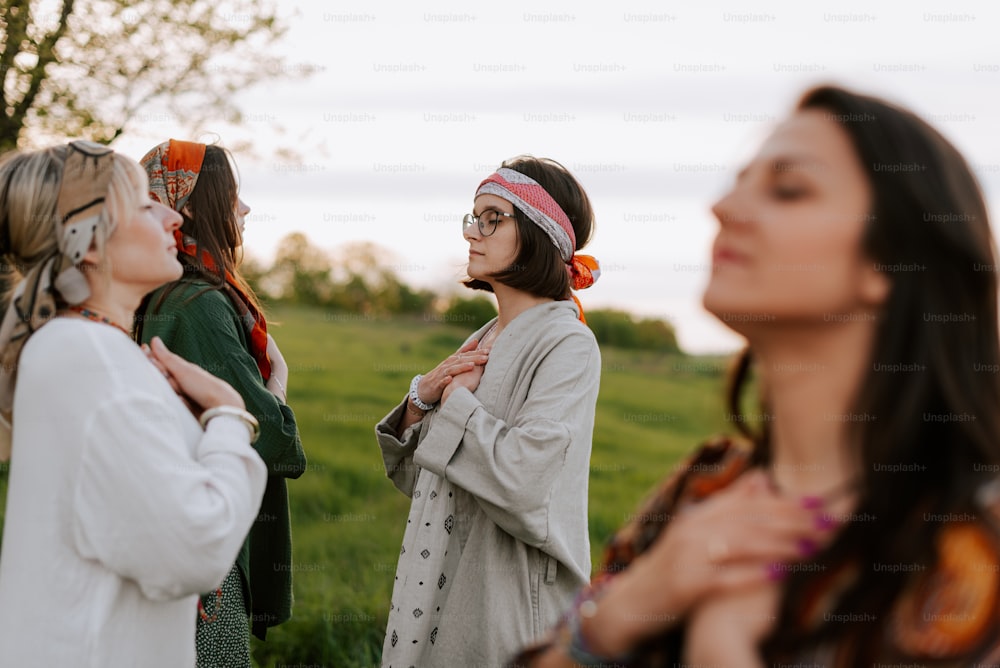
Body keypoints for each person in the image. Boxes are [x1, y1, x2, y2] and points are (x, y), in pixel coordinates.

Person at [516, 85, 1000, 667]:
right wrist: (621, 615)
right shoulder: (703, 488)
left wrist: (721, 649)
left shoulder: (976, 544)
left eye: (789, 188)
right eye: (740, 181)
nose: (722, 207)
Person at [0, 141, 267, 667]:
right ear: (91, 243)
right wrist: (229, 416)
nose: (173, 216)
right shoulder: (91, 360)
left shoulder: (83, 348)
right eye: (145, 205)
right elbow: (196, 549)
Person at [374, 156, 603, 667]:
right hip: (435, 584)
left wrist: (455, 402)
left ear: (542, 232)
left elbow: (524, 482)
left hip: (506, 599)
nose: (473, 233)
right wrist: (420, 400)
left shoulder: (568, 344)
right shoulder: (483, 339)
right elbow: (427, 480)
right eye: (473, 217)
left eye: (493, 217)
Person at [135, 139, 306, 666]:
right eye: (232, 196)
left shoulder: (158, 295)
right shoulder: (198, 305)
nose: (245, 209)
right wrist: (276, 378)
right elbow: (270, 439)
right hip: (208, 553)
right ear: (188, 206)